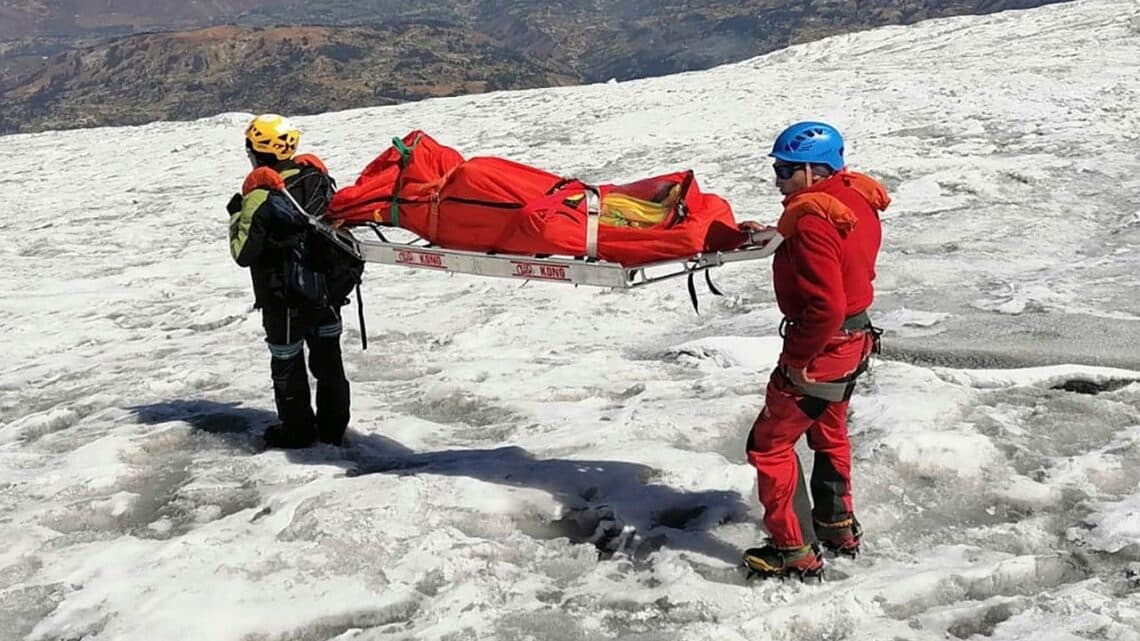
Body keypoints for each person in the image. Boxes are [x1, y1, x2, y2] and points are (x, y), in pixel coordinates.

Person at [738, 121, 889, 579]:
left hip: (824, 347)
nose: (778, 180)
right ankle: (836, 525)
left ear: (812, 169)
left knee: (769, 445)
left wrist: (798, 362)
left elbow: (826, 306)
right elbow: (838, 250)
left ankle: (793, 550)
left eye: (785, 170)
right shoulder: (852, 196)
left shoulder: (811, 222)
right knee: (829, 431)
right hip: (854, 341)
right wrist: (775, 234)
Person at [227, 114, 362, 449]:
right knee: (329, 361)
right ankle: (333, 430)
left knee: (287, 364)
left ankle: (297, 433)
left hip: (283, 298)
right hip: (326, 292)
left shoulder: (259, 196)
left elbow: (243, 252)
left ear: (258, 152)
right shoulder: (317, 179)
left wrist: (236, 215)